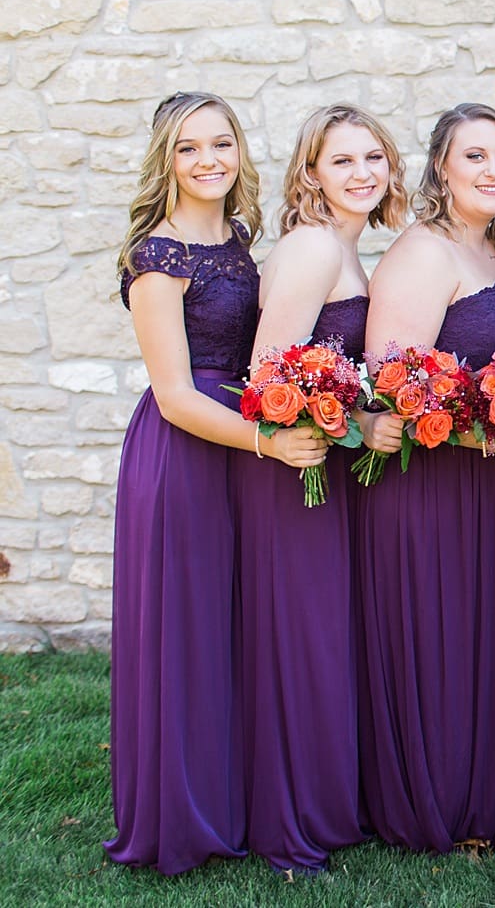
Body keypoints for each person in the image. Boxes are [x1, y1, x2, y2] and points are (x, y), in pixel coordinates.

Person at [107, 91, 327, 874]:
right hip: (185, 452)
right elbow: (174, 394)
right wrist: (268, 439)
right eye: (189, 148)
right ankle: (180, 815)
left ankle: (232, 796)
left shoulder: (236, 238)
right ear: (165, 158)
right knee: (186, 629)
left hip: (238, 442)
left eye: (221, 143)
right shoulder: (156, 255)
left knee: (230, 628)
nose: (208, 160)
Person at [355, 103, 495, 852]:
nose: (493, 170)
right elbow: (393, 381)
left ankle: (492, 792)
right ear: (442, 167)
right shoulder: (422, 253)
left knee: (491, 638)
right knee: (438, 639)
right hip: (430, 483)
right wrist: (491, 443)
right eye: (475, 157)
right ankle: (431, 798)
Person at [233, 104, 407, 872]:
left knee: (322, 636)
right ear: (310, 173)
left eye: (373, 157)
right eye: (342, 161)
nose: (363, 173)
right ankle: (289, 815)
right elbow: (270, 375)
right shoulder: (311, 247)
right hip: (293, 469)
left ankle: (325, 801)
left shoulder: (351, 248)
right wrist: (350, 426)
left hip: (325, 468)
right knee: (298, 638)